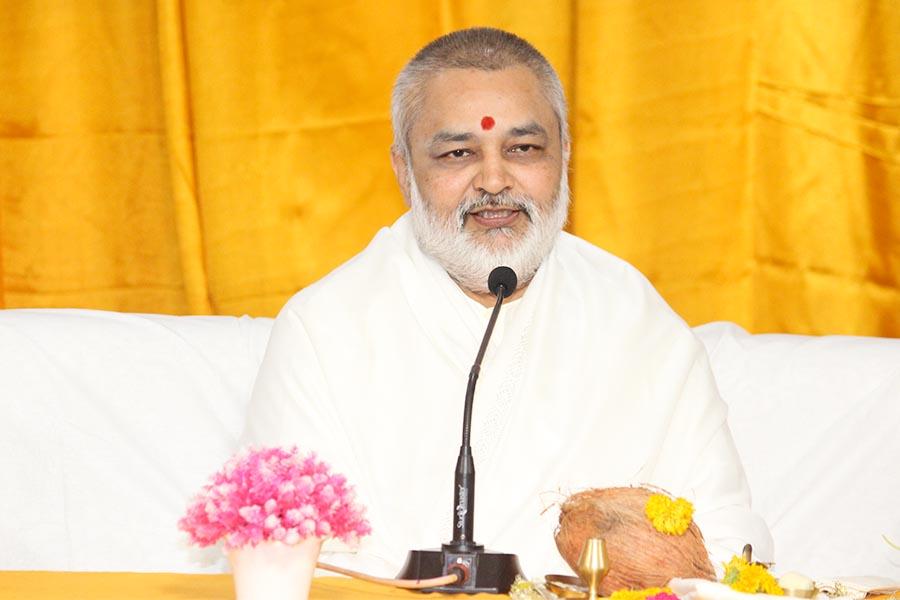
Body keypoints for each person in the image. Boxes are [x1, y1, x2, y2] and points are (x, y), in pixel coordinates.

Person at [243, 27, 773, 578]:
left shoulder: (634, 319)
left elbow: (725, 535)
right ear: (403, 169)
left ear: (565, 154)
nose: (494, 180)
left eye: (523, 149)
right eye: (457, 153)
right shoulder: (325, 328)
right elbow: (278, 557)